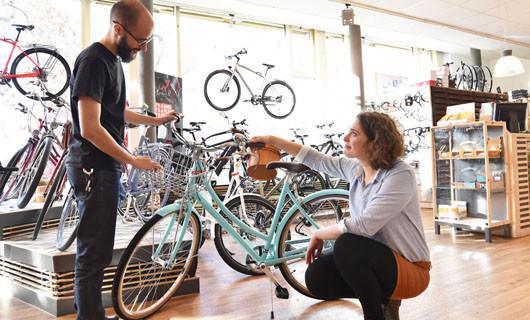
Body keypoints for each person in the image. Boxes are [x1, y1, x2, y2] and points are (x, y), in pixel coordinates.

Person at [251, 112, 431, 320]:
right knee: (317, 277)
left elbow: (364, 225)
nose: (345, 137)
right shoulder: (356, 168)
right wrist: (271, 140)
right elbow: (314, 158)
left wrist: (319, 233)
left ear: (376, 142)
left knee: (347, 244)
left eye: (353, 133)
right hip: (376, 261)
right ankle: (383, 300)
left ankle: (376, 315)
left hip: (411, 269)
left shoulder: (400, 174)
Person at [66, 1, 178, 319]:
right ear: (118, 28)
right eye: (139, 41)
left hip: (103, 167)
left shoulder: (112, 61)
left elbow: (113, 111)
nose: (142, 49)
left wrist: (154, 121)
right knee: (93, 254)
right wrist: (132, 158)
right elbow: (89, 127)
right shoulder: (93, 61)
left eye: (147, 42)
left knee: (97, 252)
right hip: (93, 167)